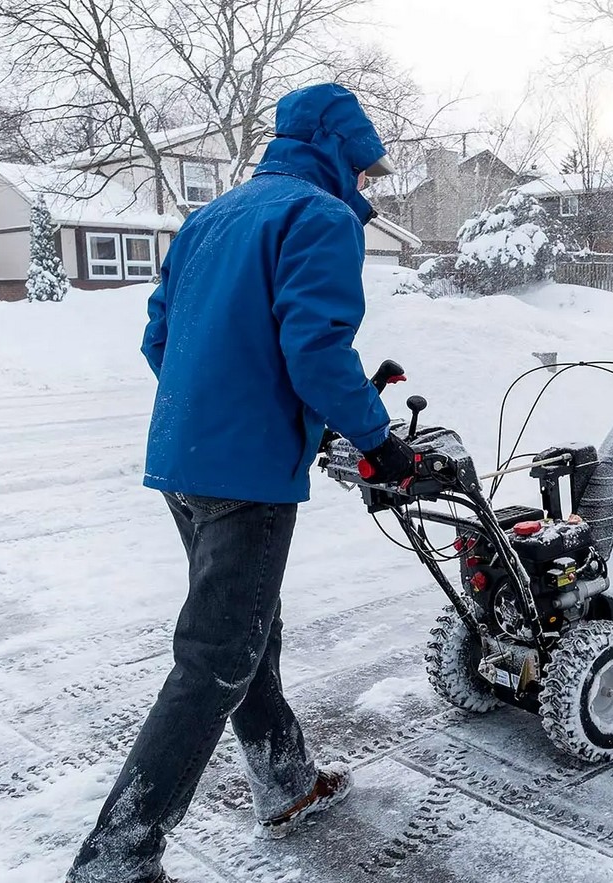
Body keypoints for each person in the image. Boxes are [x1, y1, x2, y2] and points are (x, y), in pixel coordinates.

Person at [67, 83, 417, 883]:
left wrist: (223, 400)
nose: (364, 186)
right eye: (363, 170)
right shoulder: (319, 219)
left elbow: (161, 336)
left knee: (244, 628)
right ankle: (116, 860)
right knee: (216, 657)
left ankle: (286, 780)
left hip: (183, 458)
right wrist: (377, 441)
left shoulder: (212, 217)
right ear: (337, 152)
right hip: (245, 473)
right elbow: (316, 351)